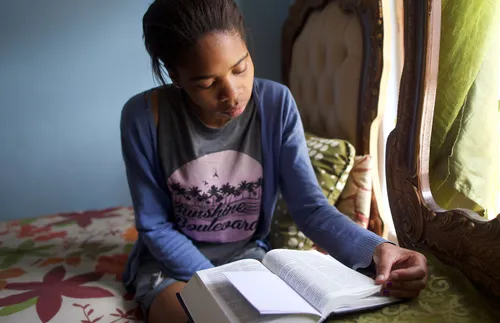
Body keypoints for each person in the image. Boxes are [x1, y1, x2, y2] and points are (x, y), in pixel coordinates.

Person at [120, 0, 428, 322]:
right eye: (207, 83)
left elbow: (311, 209)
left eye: (240, 68)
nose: (233, 92)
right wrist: (219, 283)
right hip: (171, 264)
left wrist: (377, 249)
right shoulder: (143, 118)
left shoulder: (275, 104)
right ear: (176, 77)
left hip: (247, 257)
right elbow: (154, 225)